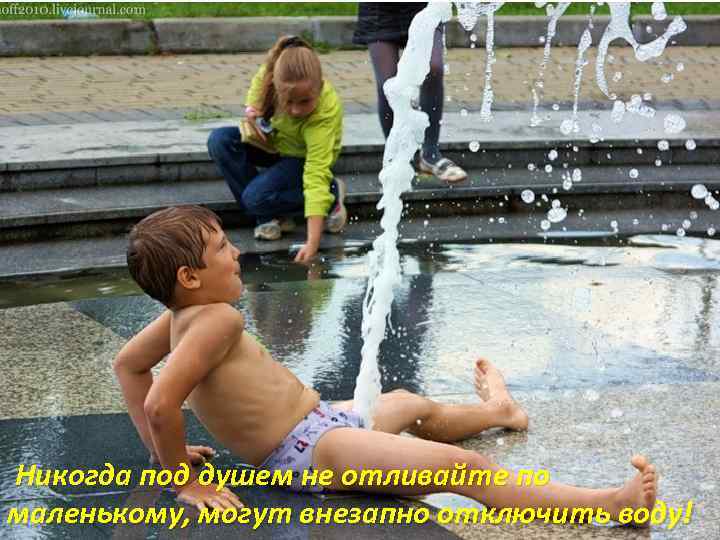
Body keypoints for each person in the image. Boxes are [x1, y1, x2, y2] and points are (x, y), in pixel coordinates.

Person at [115, 205, 657, 523]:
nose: (235, 253)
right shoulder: (218, 320)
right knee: (463, 470)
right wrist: (183, 479)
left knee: (406, 402)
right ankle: (609, 504)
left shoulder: (181, 317)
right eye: (221, 249)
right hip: (311, 453)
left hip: (322, 425)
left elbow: (129, 367)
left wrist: (163, 449)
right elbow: (162, 402)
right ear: (190, 277)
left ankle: (500, 413)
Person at [207, 35, 346, 264]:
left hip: (301, 159)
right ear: (275, 84)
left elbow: (315, 174)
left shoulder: (324, 113)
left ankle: (331, 196)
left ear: (320, 88)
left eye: (304, 102)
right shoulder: (274, 71)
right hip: (274, 144)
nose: (295, 110)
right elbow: (258, 85)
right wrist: (253, 111)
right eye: (288, 101)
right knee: (220, 140)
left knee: (254, 198)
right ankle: (268, 216)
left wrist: (312, 243)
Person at [353, 2, 468, 184]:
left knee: (433, 68)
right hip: (379, 11)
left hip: (424, 7)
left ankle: (430, 154)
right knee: (389, 86)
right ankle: (396, 160)